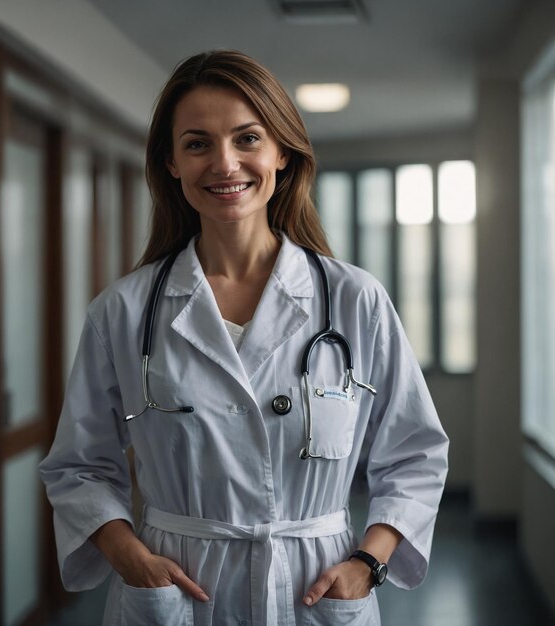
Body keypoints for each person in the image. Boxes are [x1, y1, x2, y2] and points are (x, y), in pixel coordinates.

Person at [39, 49, 449, 626]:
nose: (225, 163)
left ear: (282, 152)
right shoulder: (125, 312)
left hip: (317, 584)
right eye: (198, 143)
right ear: (173, 163)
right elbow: (78, 466)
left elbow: (415, 454)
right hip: (179, 583)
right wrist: (129, 557)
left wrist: (367, 564)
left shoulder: (355, 300)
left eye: (248, 138)